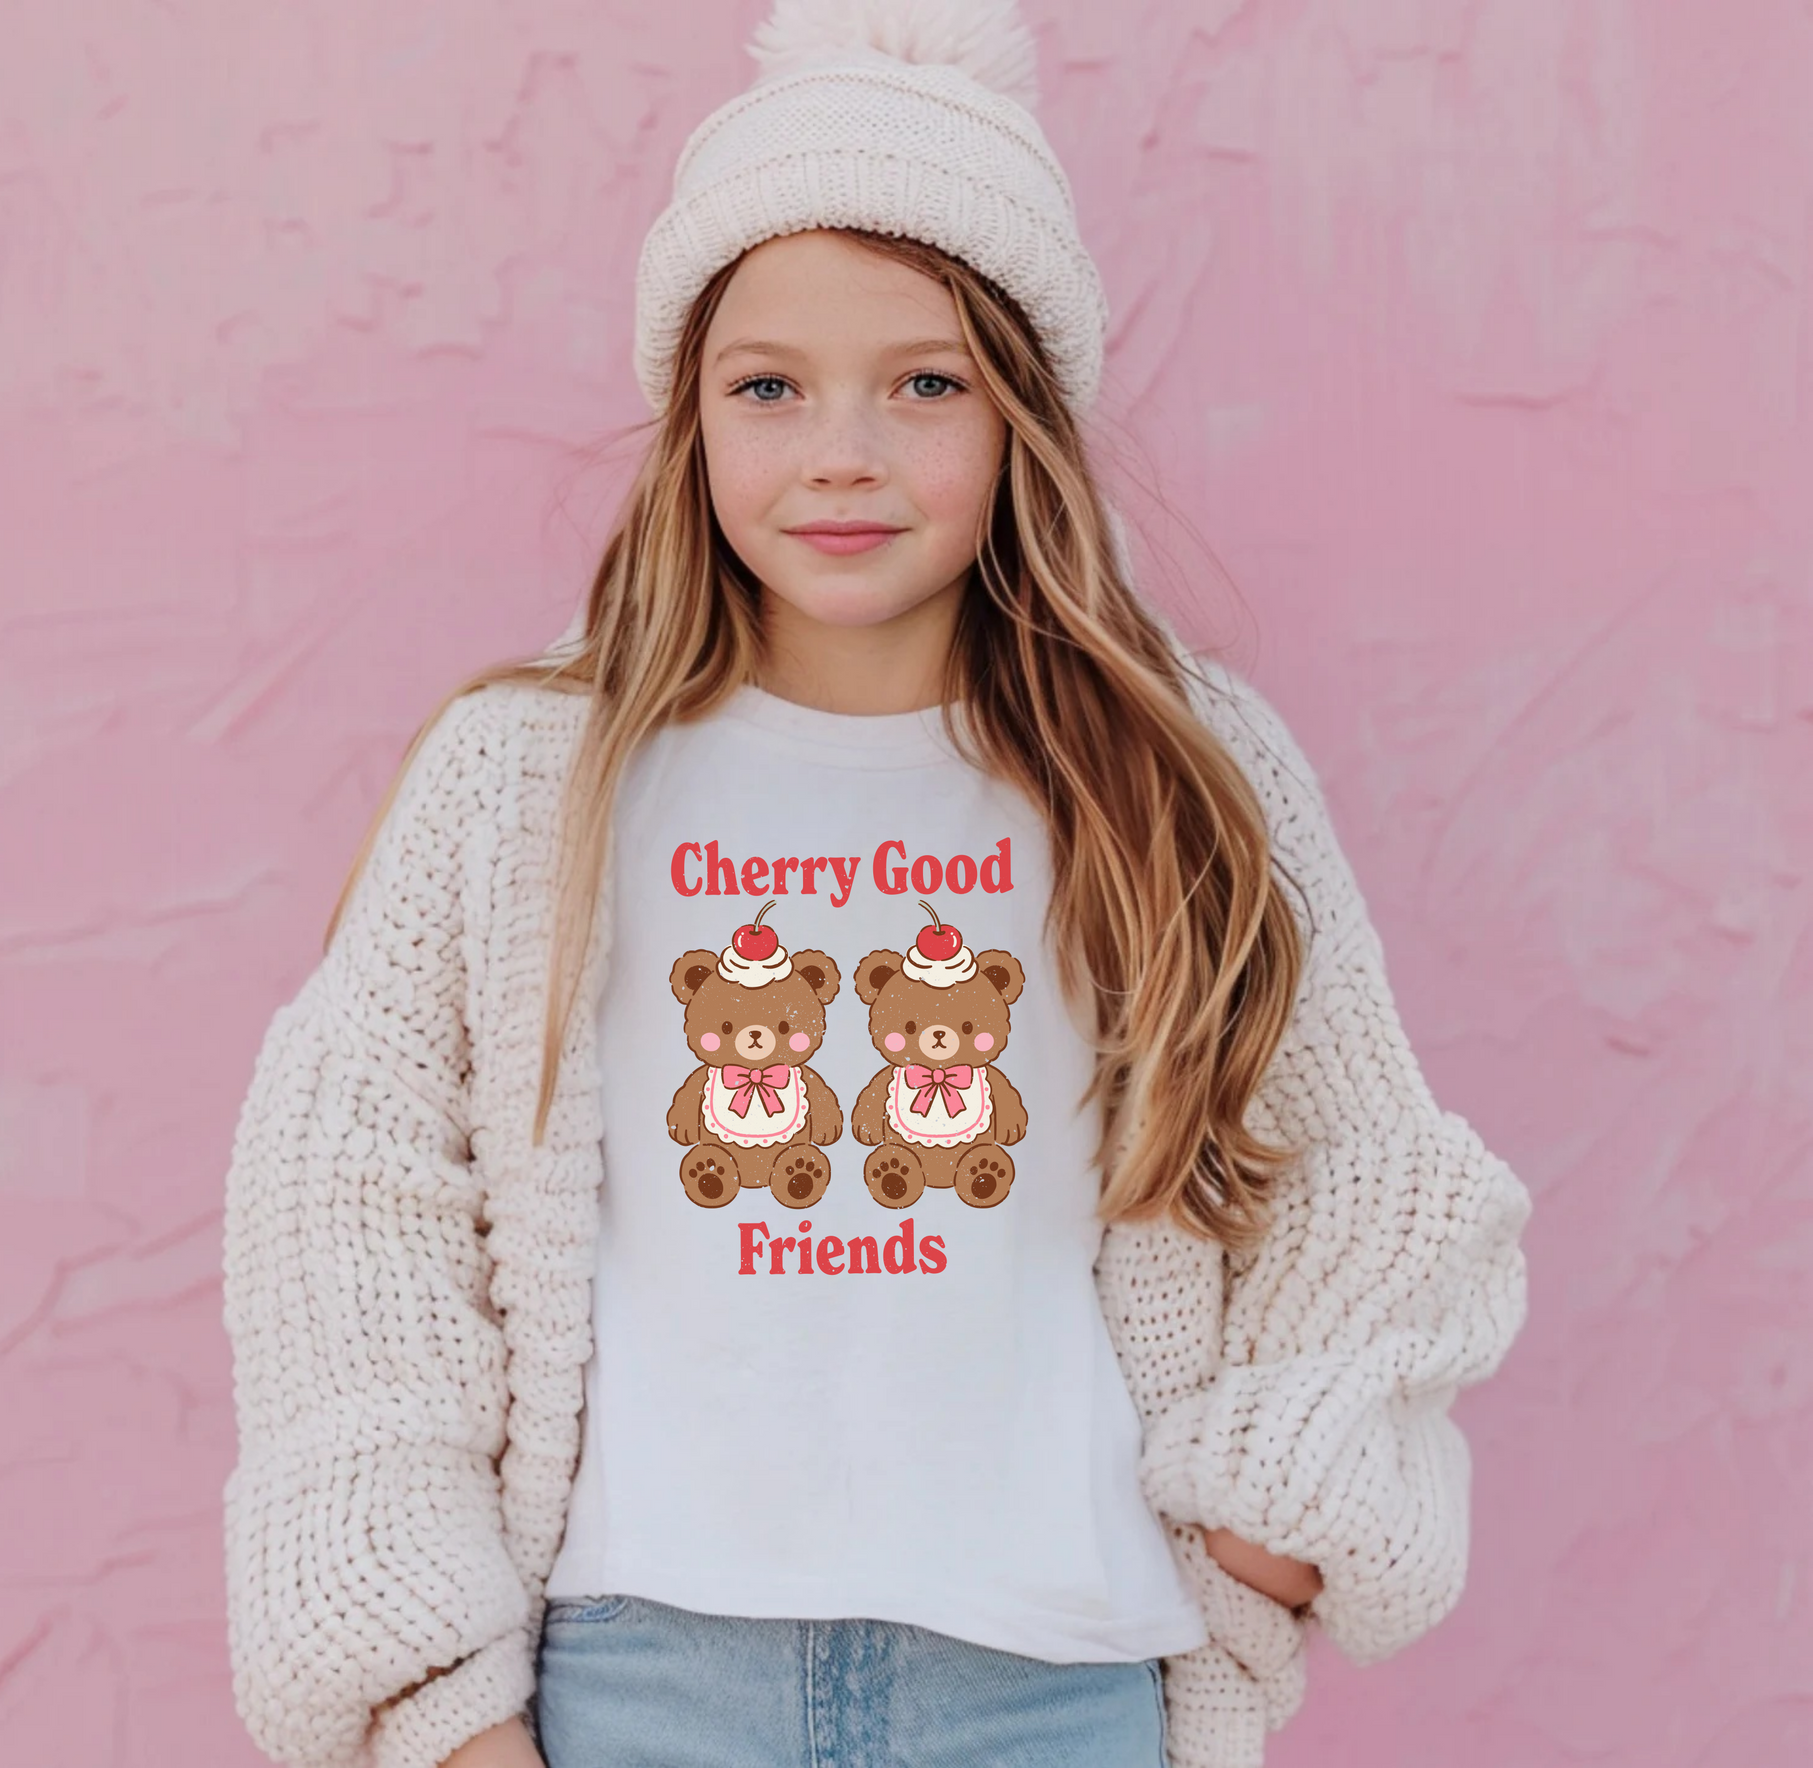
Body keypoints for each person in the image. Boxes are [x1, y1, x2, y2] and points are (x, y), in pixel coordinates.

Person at [218, 4, 1533, 1766]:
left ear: (1023, 415)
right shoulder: (528, 779)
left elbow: (1362, 1166)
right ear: (689, 419)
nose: (842, 450)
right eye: (767, 386)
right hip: (639, 1676)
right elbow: (350, 1198)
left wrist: (1280, 1518)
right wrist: (436, 1707)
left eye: (925, 383)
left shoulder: (1169, 771)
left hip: (1052, 1684)